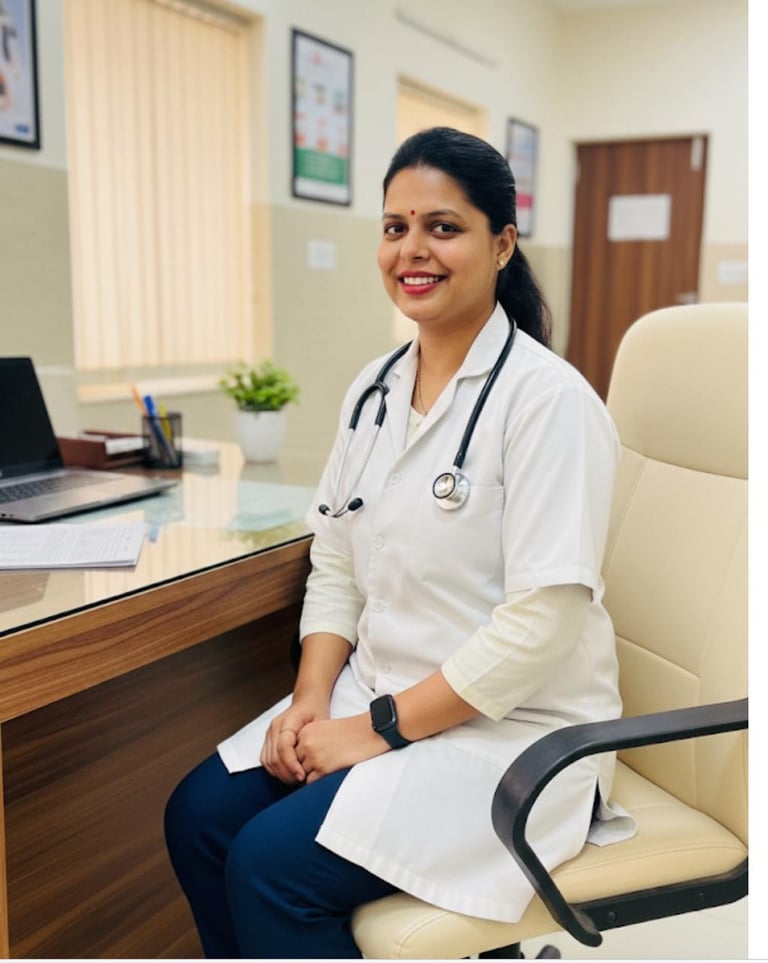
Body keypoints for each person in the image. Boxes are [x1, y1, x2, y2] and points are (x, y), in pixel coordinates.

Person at [164, 126, 631, 960]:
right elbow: (336, 557)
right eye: (394, 226)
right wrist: (311, 697)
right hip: (371, 698)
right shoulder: (373, 391)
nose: (412, 249)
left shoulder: (549, 402)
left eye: (443, 227)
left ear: (502, 243)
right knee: (198, 815)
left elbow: (541, 625)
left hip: (514, 732)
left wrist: (374, 729)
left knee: (271, 867)